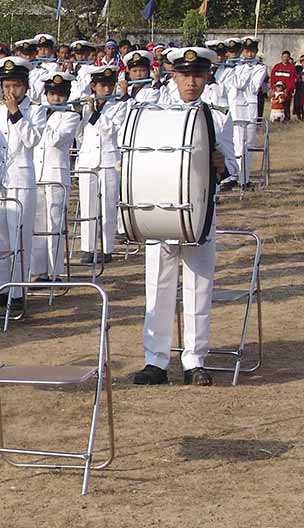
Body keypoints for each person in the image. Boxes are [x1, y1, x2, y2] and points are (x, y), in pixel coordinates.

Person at [133, 47, 236, 388]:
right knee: (158, 286)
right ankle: (155, 361)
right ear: (173, 75)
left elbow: (234, 168)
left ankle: (195, 360)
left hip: (200, 211)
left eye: (198, 75)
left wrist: (223, 167)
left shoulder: (218, 116)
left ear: (207, 77)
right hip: (161, 209)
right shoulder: (154, 112)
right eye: (185, 74)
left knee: (198, 287)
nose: (191, 82)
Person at [0, 55, 45, 312]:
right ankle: (0, 289)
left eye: (16, 86)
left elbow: (32, 140)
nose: (11, 91)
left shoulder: (36, 110)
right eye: (7, 85)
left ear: (26, 86)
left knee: (19, 238)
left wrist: (16, 113)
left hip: (21, 179)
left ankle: (18, 291)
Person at [76, 64, 126, 266]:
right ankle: (88, 248)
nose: (107, 89)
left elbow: (112, 130)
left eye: (110, 85)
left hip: (108, 160)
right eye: (102, 85)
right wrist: (78, 112)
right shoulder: (85, 106)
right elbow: (77, 133)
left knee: (108, 205)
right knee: (88, 205)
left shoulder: (120, 106)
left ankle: (107, 248)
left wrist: (95, 113)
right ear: (93, 86)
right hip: (88, 159)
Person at [31, 71, 79, 283]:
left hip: (57, 176)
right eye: (51, 94)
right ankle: (38, 270)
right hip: (37, 175)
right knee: (37, 224)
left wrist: (41, 118)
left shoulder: (71, 116)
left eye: (60, 94)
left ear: (66, 96)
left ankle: (56, 271)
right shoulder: (38, 112)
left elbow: (56, 140)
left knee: (55, 223)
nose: (55, 99)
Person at [228, 36, 265, 187]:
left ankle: (245, 178)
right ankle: (234, 176)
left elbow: (252, 87)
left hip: (249, 109)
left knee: (248, 145)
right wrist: (241, 70)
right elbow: (234, 85)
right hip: (235, 109)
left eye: (252, 52)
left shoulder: (260, 67)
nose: (249, 55)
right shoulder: (235, 66)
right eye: (247, 51)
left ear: (256, 52)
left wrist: (245, 72)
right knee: (236, 144)